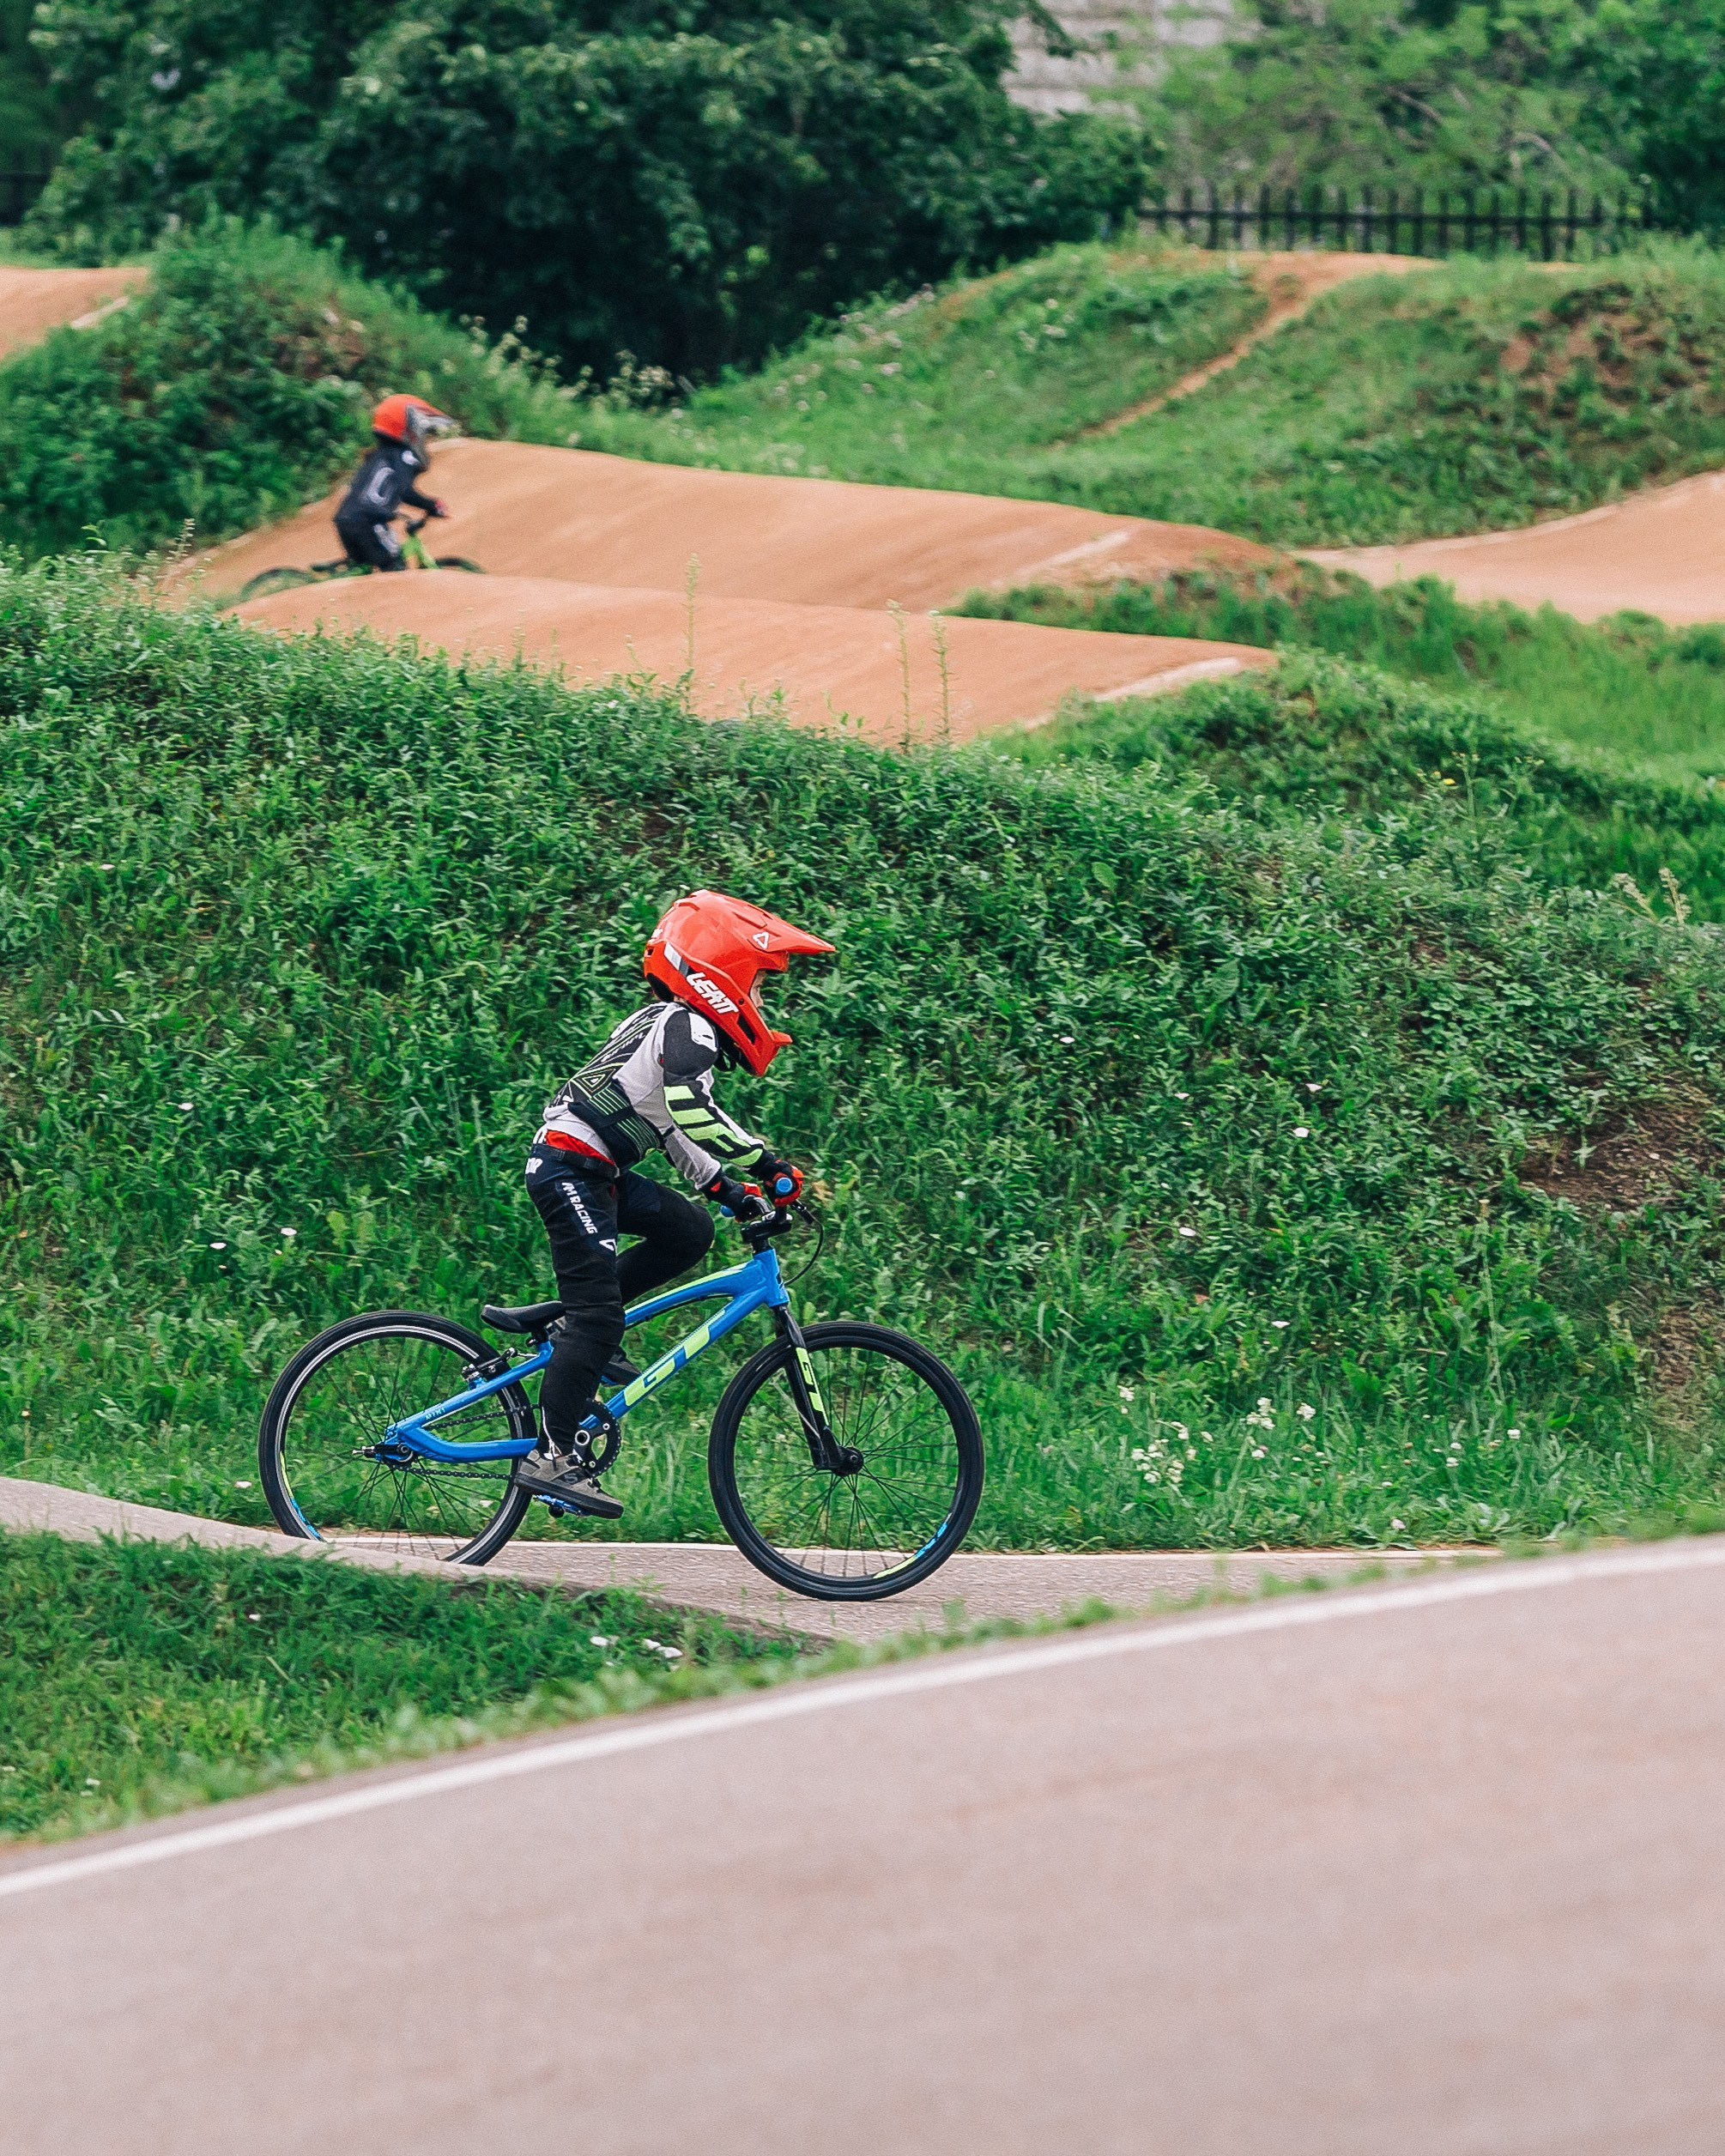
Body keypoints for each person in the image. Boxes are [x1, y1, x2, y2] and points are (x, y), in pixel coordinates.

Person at [516, 889, 833, 1517]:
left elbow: (671, 1127)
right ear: (726, 974)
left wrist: (732, 1195)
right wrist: (767, 1166)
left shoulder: (664, 1026)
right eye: (760, 988)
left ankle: (574, 1326)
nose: (762, 1006)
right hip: (570, 1170)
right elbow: (690, 1109)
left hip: (595, 1169)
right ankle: (552, 1454)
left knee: (688, 1231)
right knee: (600, 1319)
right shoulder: (686, 1027)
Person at [334, 394, 455, 572]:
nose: (425, 440)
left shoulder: (376, 456)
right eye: (425, 434)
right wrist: (432, 505)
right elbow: (405, 491)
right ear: (411, 427)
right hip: (369, 524)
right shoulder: (403, 456)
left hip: (346, 520)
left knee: (364, 574)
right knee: (395, 568)